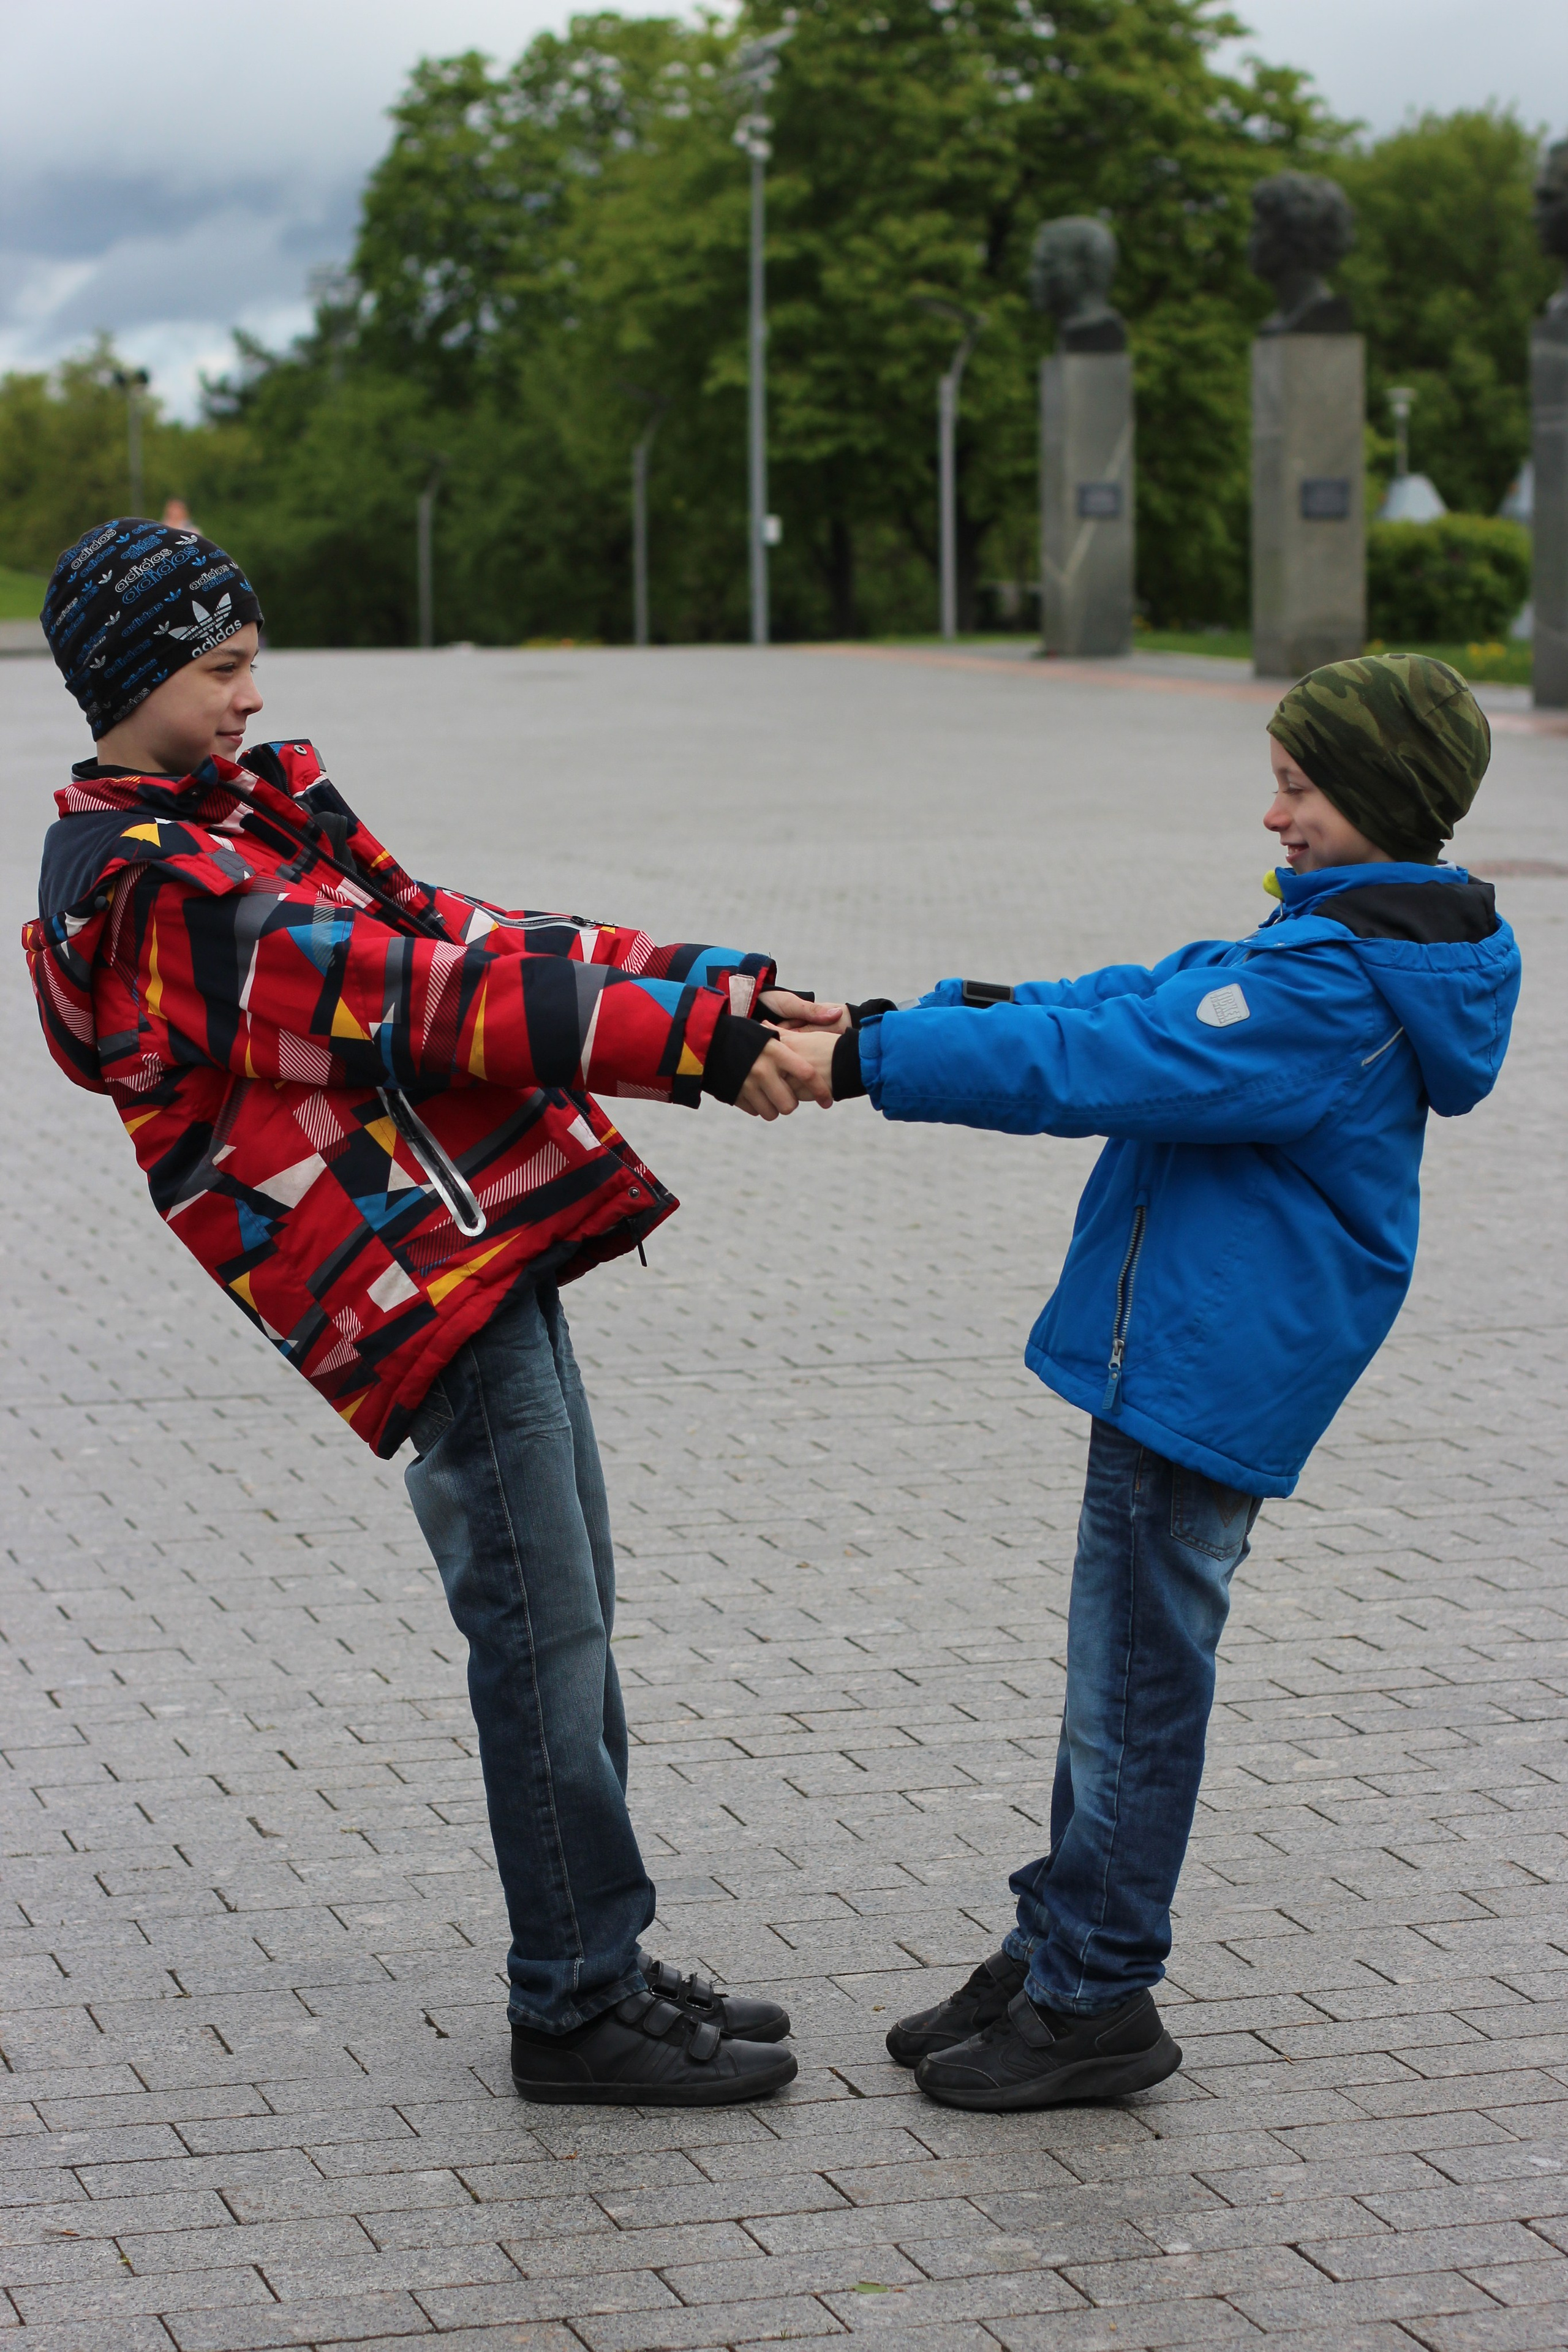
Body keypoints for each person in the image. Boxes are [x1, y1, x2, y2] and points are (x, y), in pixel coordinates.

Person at [26, 516, 842, 2109]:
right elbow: (413, 997)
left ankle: (600, 1948)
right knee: (539, 1631)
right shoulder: (158, 891)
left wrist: (711, 987)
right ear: (130, 681)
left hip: (475, 1244)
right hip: (411, 1287)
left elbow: (455, 932)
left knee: (576, 1603)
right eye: (220, 668)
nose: (252, 693)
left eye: (252, 660)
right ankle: (574, 1998)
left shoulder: (234, 817)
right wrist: (681, 1044)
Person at [782, 654, 1520, 2112]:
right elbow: (1129, 995)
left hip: (1207, 1382)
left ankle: (1096, 1997)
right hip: (1187, 1365)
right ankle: (1058, 1942)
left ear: (1374, 800)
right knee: (1113, 1679)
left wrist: (873, 1064)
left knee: (1132, 1688)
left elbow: (1112, 1056)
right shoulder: (1328, 945)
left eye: (1298, 788)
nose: (1270, 815)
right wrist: (894, 1019)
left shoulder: (1330, 989)